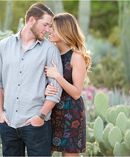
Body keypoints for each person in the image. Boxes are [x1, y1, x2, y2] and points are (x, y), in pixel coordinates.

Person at [0, 3, 63, 156]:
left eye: (50, 26)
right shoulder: (3, 46)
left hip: (37, 125)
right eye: (46, 25)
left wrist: (41, 116)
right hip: (8, 124)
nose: (49, 30)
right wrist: (0, 113)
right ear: (31, 20)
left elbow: (55, 89)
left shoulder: (50, 50)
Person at [44, 13, 91, 156]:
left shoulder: (76, 57)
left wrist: (57, 76)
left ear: (64, 30)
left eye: (53, 28)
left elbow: (77, 93)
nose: (49, 31)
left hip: (71, 113)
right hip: (52, 110)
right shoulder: (51, 53)